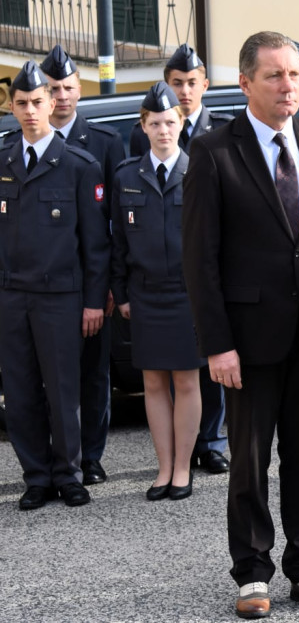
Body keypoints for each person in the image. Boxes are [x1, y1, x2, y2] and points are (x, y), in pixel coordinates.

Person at [182, 31, 299, 619]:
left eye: (297, 74)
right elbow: (199, 259)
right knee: (250, 462)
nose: (290, 86)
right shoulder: (213, 152)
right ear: (246, 82)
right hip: (248, 341)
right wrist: (217, 345)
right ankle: (252, 573)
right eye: (276, 76)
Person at [0, 61, 109, 510]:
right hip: (11, 297)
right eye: (21, 103)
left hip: (60, 296)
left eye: (37, 102)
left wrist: (91, 303)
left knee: (64, 390)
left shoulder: (78, 165)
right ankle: (37, 477)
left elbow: (95, 245)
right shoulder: (2, 159)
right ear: (11, 106)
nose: (30, 111)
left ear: (51, 103)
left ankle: (69, 474)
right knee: (20, 391)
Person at [129, 44, 233, 476]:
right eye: (178, 83)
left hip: (196, 283)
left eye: (192, 83)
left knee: (206, 371)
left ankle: (208, 445)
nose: (185, 91)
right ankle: (174, 459)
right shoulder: (136, 156)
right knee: (163, 378)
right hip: (150, 287)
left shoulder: (218, 142)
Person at [111, 82, 202, 501]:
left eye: (170, 122)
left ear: (181, 124)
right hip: (145, 293)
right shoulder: (126, 177)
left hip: (186, 294)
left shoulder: (199, 171)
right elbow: (117, 244)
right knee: (151, 382)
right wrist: (121, 292)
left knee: (185, 381)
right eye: (154, 123)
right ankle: (162, 468)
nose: (163, 130)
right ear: (143, 127)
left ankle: (182, 469)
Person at [38, 44, 124, 486]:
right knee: (46, 377)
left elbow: (115, 224)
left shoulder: (106, 144)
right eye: (54, 88)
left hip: (91, 282)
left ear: (79, 90)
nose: (63, 96)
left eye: (69, 87)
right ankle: (56, 458)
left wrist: (109, 284)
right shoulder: (28, 143)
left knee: (93, 374)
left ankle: (90, 456)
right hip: (45, 283)